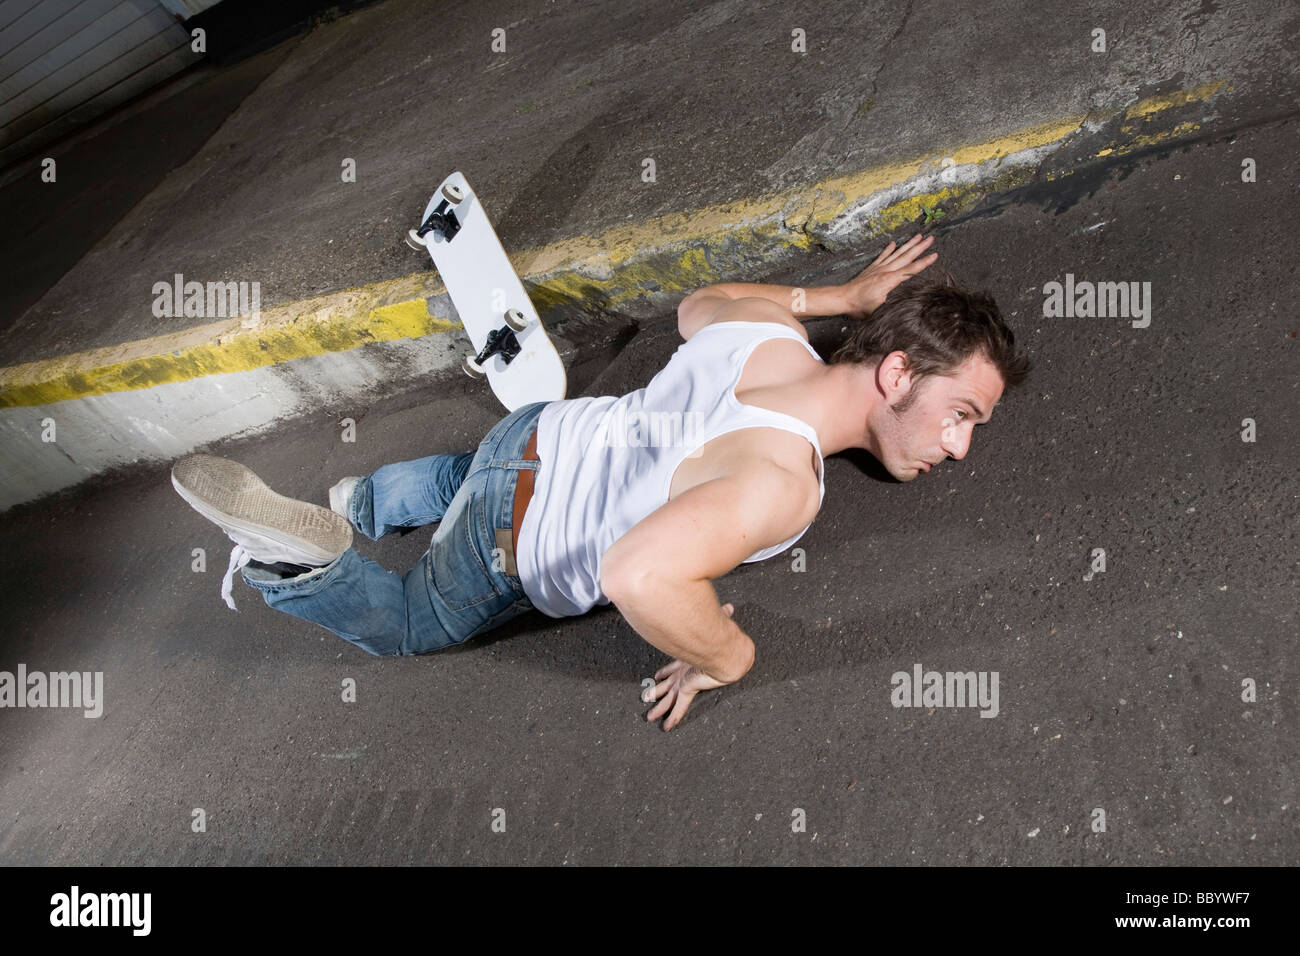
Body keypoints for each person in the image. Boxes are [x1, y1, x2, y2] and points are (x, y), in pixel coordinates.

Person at [171, 232, 1030, 731]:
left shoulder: (772, 335)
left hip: (537, 433)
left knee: (466, 476)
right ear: (896, 374)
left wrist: (838, 297)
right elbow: (638, 574)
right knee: (404, 625)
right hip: (511, 543)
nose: (958, 447)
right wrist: (728, 657)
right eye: (962, 415)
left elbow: (699, 303)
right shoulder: (785, 483)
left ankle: (357, 501)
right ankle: (301, 563)